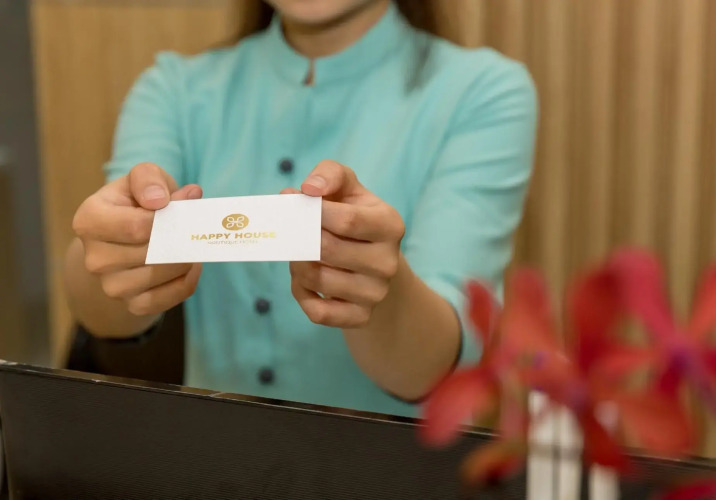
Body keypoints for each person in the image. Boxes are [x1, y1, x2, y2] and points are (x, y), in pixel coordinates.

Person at [64, 0, 537, 416]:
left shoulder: (483, 91)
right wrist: (110, 250)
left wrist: (379, 288)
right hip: (211, 463)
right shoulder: (173, 88)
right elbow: (102, 308)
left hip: (386, 470)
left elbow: (436, 365)